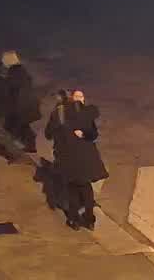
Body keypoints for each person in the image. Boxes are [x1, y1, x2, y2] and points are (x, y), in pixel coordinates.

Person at [47, 89, 108, 229]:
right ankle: (89, 220)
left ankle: (74, 220)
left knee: (73, 188)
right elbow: (93, 134)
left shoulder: (60, 114)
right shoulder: (86, 114)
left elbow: (49, 134)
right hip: (86, 158)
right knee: (85, 187)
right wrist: (84, 134)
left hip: (68, 157)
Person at [0, 51, 40, 154]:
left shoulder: (15, 72)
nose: (3, 63)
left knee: (11, 127)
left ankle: (12, 150)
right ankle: (30, 145)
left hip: (20, 105)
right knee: (22, 125)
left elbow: (11, 86)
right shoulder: (20, 71)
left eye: (4, 61)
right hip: (26, 105)